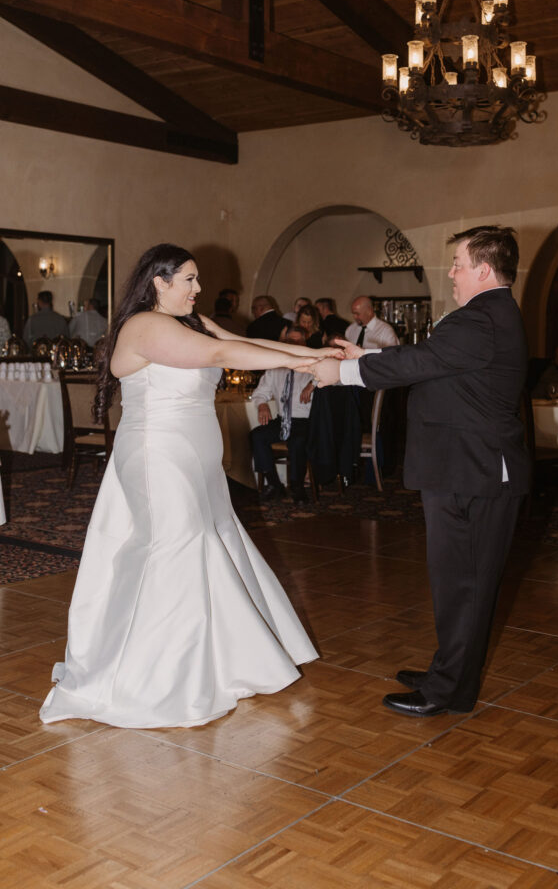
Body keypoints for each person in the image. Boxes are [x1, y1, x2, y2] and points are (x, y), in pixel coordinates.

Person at [39, 243, 337, 729]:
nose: (199, 289)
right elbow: (220, 353)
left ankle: (216, 663)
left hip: (193, 454)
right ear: (160, 281)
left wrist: (309, 353)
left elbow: (236, 340)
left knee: (210, 541)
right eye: (190, 280)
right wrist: (305, 364)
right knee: (174, 549)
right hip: (159, 455)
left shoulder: (187, 323)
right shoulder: (144, 325)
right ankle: (151, 677)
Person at [306, 226, 530, 717]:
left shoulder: (481, 319)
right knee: (459, 584)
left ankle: (447, 690)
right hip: (465, 468)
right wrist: (365, 355)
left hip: (472, 472)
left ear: (484, 270)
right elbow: (433, 362)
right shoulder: (488, 316)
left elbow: (426, 359)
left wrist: (341, 373)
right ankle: (449, 675)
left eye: (457, 263)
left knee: (463, 587)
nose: (450, 272)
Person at [251, 326, 315, 502]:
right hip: (282, 420)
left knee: (298, 442)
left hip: (305, 421)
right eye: (290, 341)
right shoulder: (276, 366)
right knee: (257, 435)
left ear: (304, 343)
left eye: (297, 341)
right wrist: (262, 404)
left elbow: (333, 378)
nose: (293, 345)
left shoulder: (313, 365)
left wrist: (313, 384)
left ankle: (297, 486)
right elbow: (260, 392)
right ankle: (274, 483)